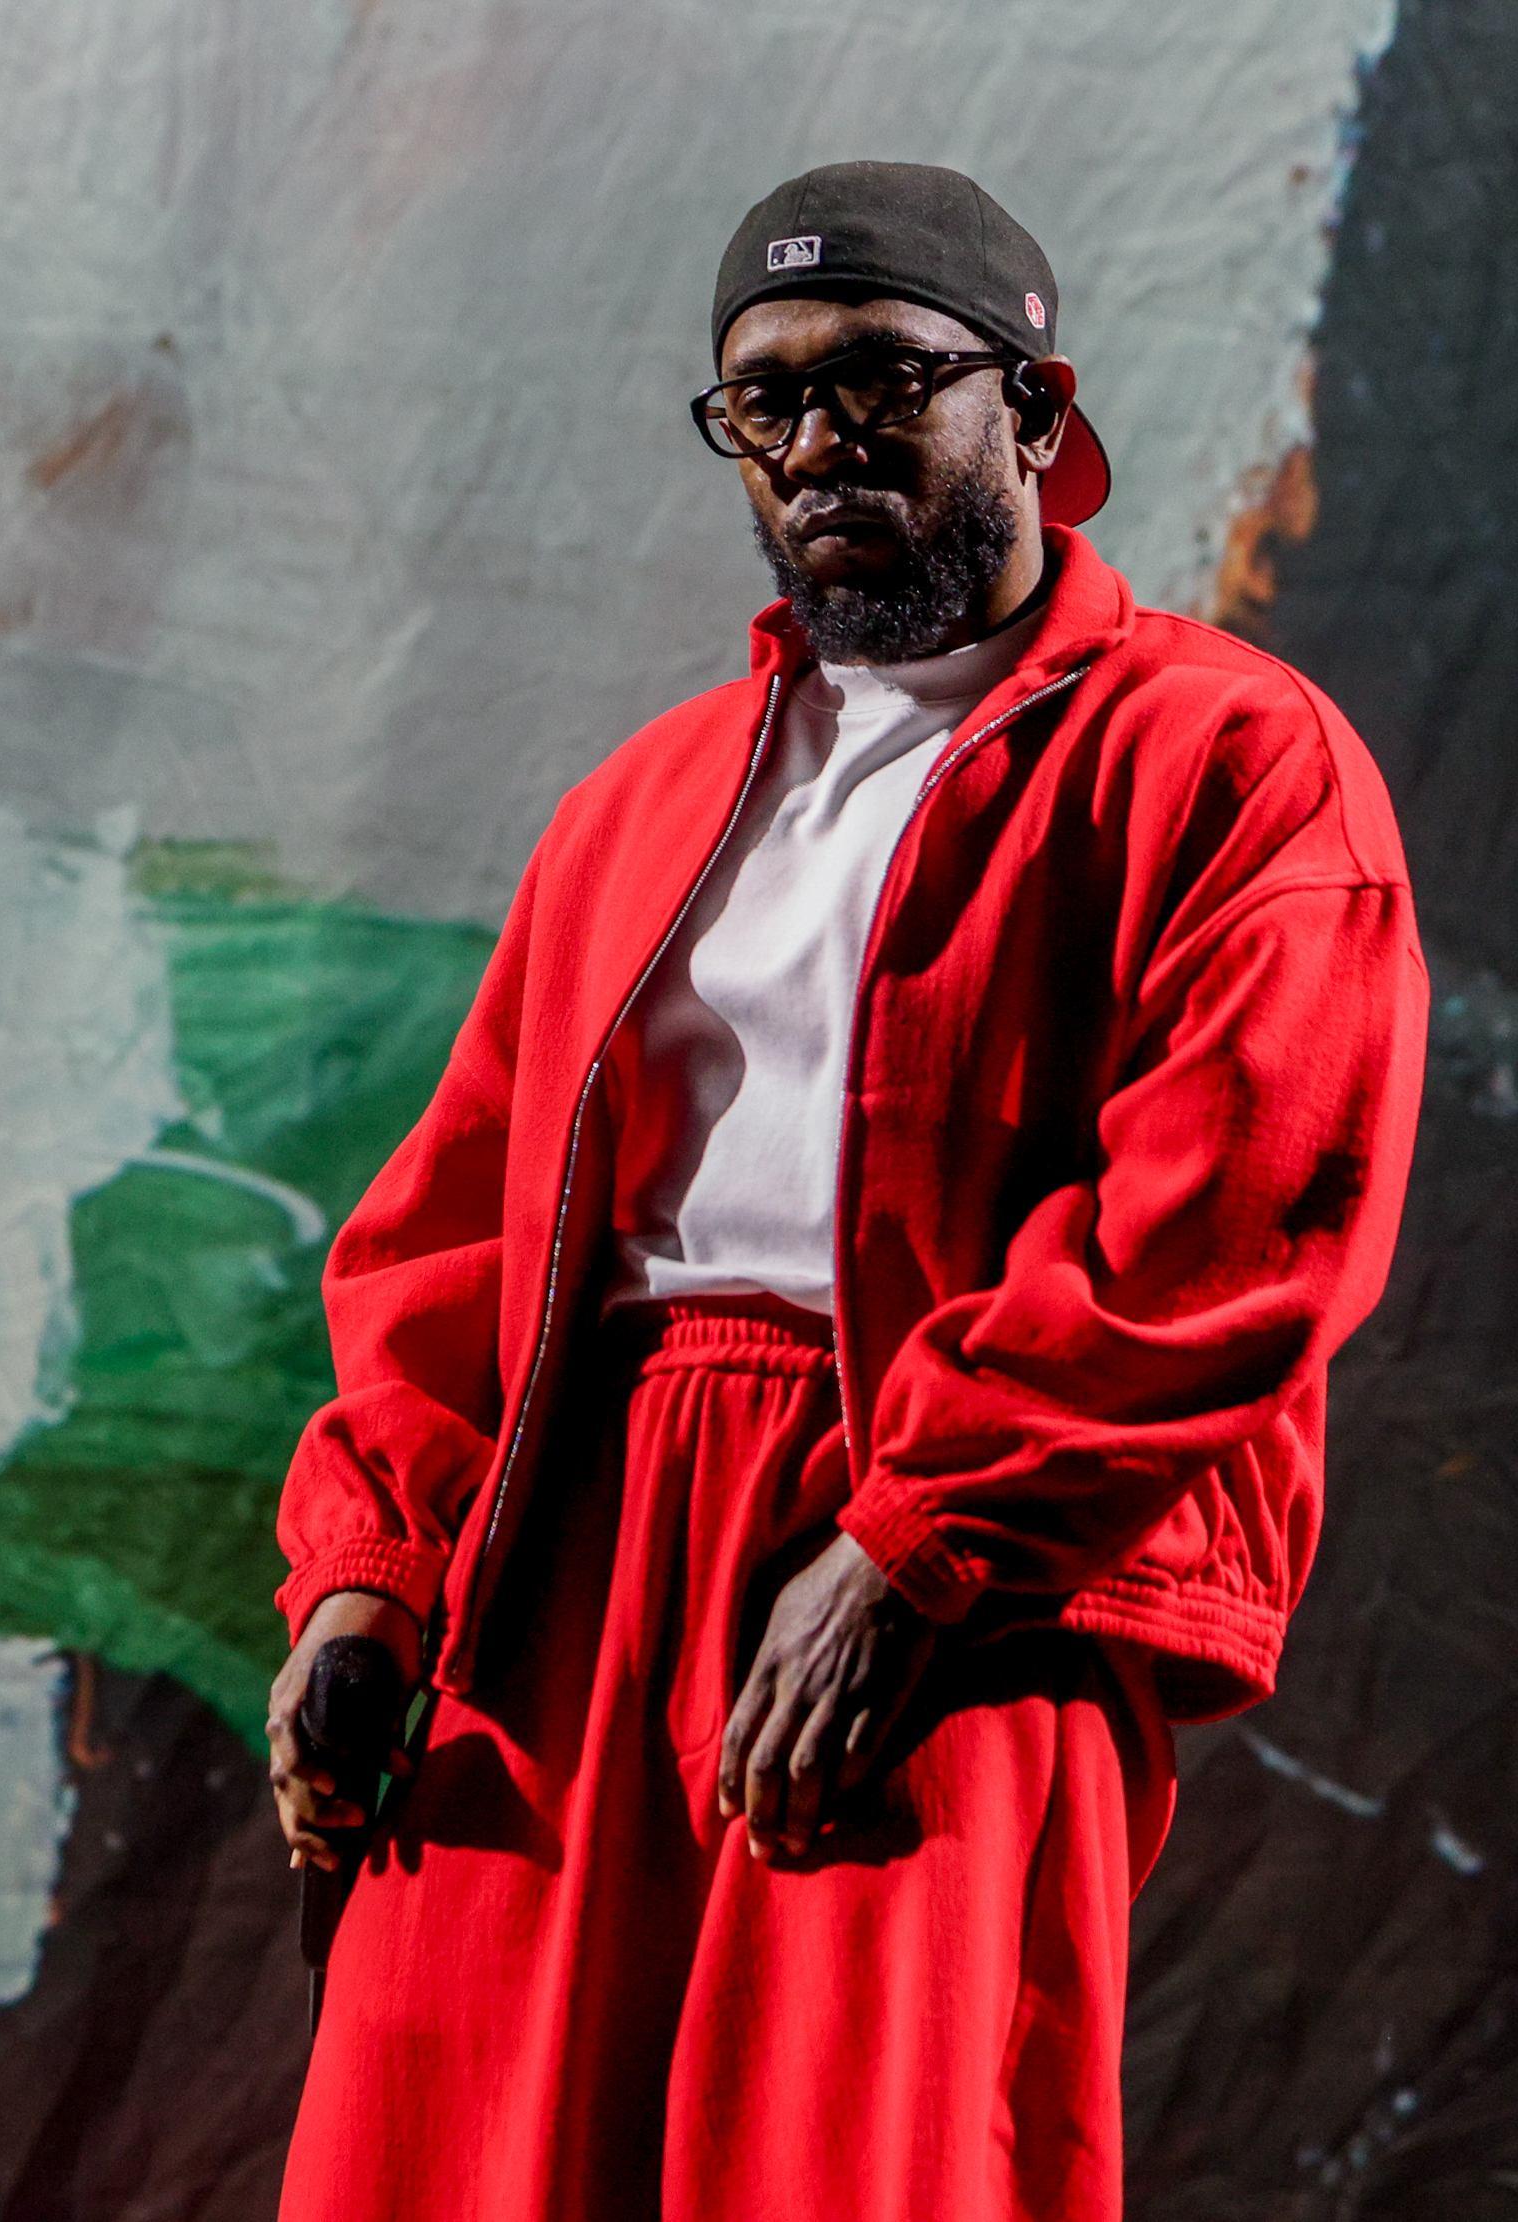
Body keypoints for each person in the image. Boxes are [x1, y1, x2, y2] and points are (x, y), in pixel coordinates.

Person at [265, 160, 1427, 2222]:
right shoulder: (638, 802)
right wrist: (365, 1575)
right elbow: (457, 1233)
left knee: (851, 2163)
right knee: (443, 2157)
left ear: (1035, 412)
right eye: (764, 404)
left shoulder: (1230, 760)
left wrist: (913, 1544)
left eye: (884, 381)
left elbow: (1238, 1213)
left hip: (954, 1541)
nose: (818, 446)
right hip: (572, 1540)